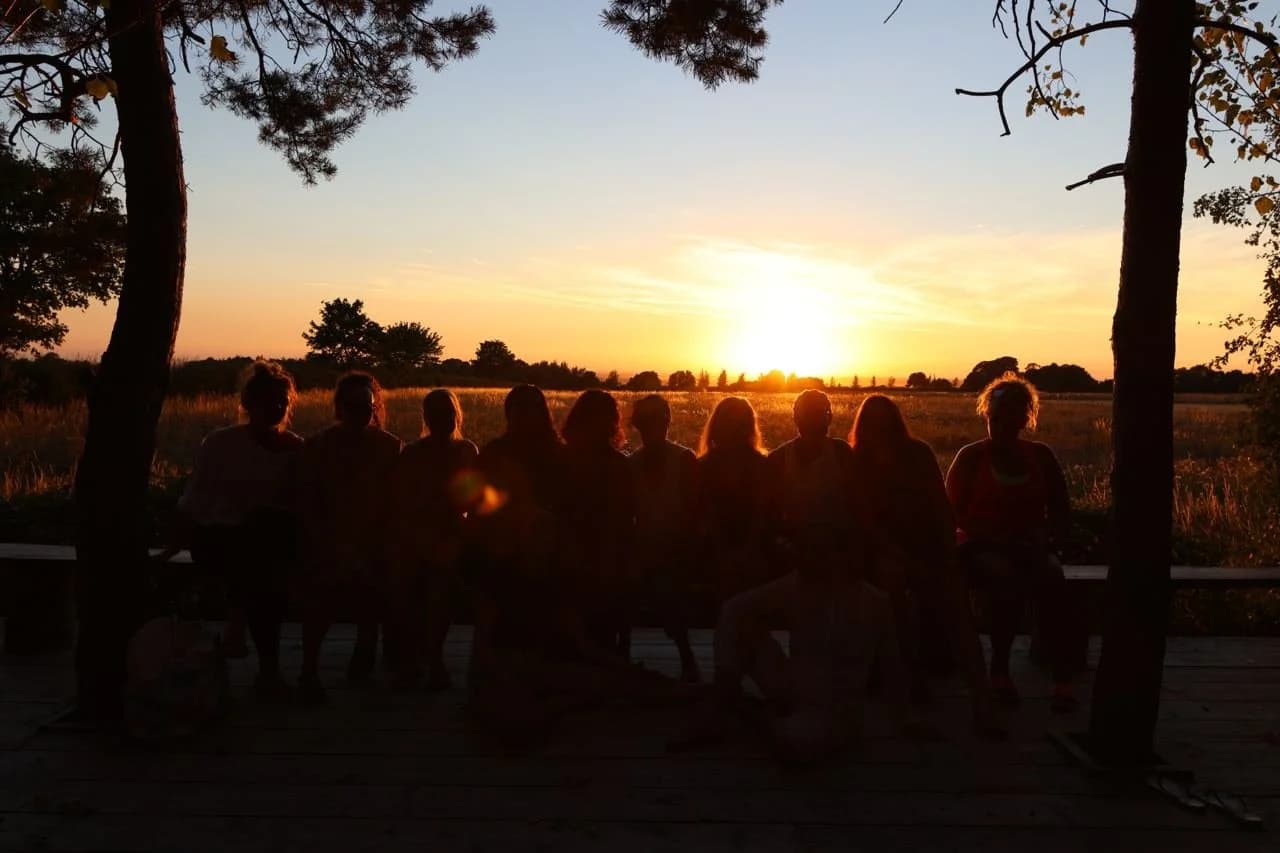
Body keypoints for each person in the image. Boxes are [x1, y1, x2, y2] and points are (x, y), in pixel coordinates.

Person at [465, 386, 688, 746]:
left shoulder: (561, 457)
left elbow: (612, 519)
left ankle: (603, 674)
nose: (527, 420)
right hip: (523, 559)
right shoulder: (503, 455)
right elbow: (477, 507)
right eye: (520, 412)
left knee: (569, 643)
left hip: (562, 558)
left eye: (533, 412)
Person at [848, 394, 1004, 737]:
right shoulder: (858, 462)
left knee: (957, 610)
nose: (878, 430)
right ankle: (911, 681)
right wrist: (901, 557)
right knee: (894, 593)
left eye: (883, 422)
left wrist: (944, 551)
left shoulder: (917, 454)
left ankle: (981, 699)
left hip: (929, 549)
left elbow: (940, 506)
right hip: (887, 553)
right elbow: (867, 524)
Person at [945, 373, 1077, 713]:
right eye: (995, 419)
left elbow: (1061, 509)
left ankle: (1062, 675)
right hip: (978, 546)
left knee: (1054, 579)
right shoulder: (971, 457)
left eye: (1009, 419)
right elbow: (952, 513)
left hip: (1030, 546)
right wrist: (995, 538)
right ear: (987, 417)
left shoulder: (1041, 457)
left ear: (1024, 419)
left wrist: (1047, 540)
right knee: (1004, 578)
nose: (1000, 426)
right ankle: (999, 670)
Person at [174, 360, 301, 697]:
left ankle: (239, 627)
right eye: (267, 402)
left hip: (266, 545)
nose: (275, 408)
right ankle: (264, 666)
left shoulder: (296, 449)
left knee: (264, 553)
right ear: (248, 405)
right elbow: (195, 496)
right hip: (218, 539)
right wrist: (178, 541)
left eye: (281, 402)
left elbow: (303, 502)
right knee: (262, 573)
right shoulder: (221, 443)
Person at [295, 371, 402, 702]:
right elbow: (308, 503)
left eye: (366, 407)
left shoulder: (390, 448)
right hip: (329, 542)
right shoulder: (317, 448)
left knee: (373, 589)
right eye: (352, 406)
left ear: (374, 409)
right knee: (321, 599)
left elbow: (397, 505)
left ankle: (363, 656)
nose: (360, 413)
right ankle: (309, 668)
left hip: (374, 543)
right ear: (338, 408)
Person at [390, 389, 479, 690]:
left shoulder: (467, 450)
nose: (443, 419)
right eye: (436, 414)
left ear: (456, 416)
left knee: (441, 587)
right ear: (426, 418)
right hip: (418, 534)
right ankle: (422, 656)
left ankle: (430, 655)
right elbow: (403, 502)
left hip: (449, 534)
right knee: (423, 588)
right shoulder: (413, 453)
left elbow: (470, 498)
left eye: (448, 413)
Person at [628, 394, 701, 682]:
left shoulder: (683, 460)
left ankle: (685, 658)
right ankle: (686, 660)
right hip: (646, 550)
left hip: (676, 550)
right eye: (646, 422)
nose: (651, 428)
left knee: (666, 582)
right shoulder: (633, 464)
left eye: (654, 421)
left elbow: (693, 515)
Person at [560, 389, 635, 657]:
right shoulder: (619, 465)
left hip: (571, 555)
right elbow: (626, 518)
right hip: (605, 556)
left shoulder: (562, 461)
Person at [695, 396, 771, 601]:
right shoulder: (761, 465)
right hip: (723, 555)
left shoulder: (703, 466)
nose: (734, 429)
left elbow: (762, 513)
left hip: (742, 554)